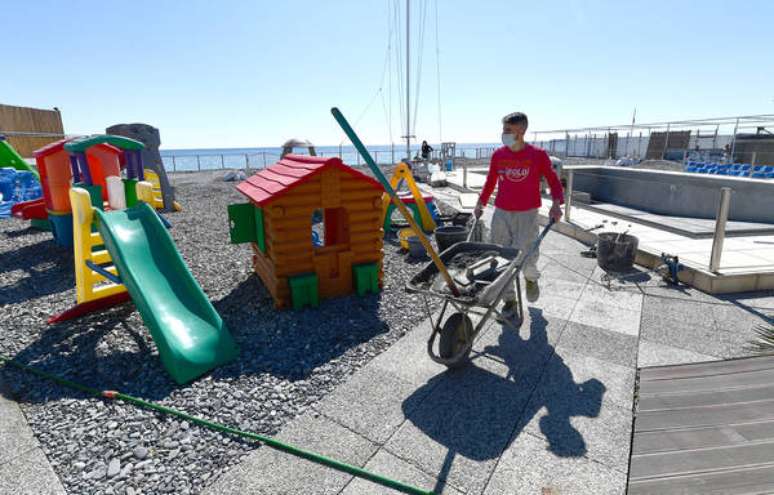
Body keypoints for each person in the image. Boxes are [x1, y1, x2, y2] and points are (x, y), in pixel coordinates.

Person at [474, 111, 564, 313]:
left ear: (521, 131)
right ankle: (509, 301)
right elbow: (490, 181)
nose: (504, 134)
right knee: (500, 254)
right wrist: (481, 203)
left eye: (508, 130)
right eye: (503, 129)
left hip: (528, 214)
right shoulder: (499, 155)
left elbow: (553, 180)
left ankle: (531, 279)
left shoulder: (537, 155)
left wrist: (556, 204)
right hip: (501, 212)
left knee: (527, 253)